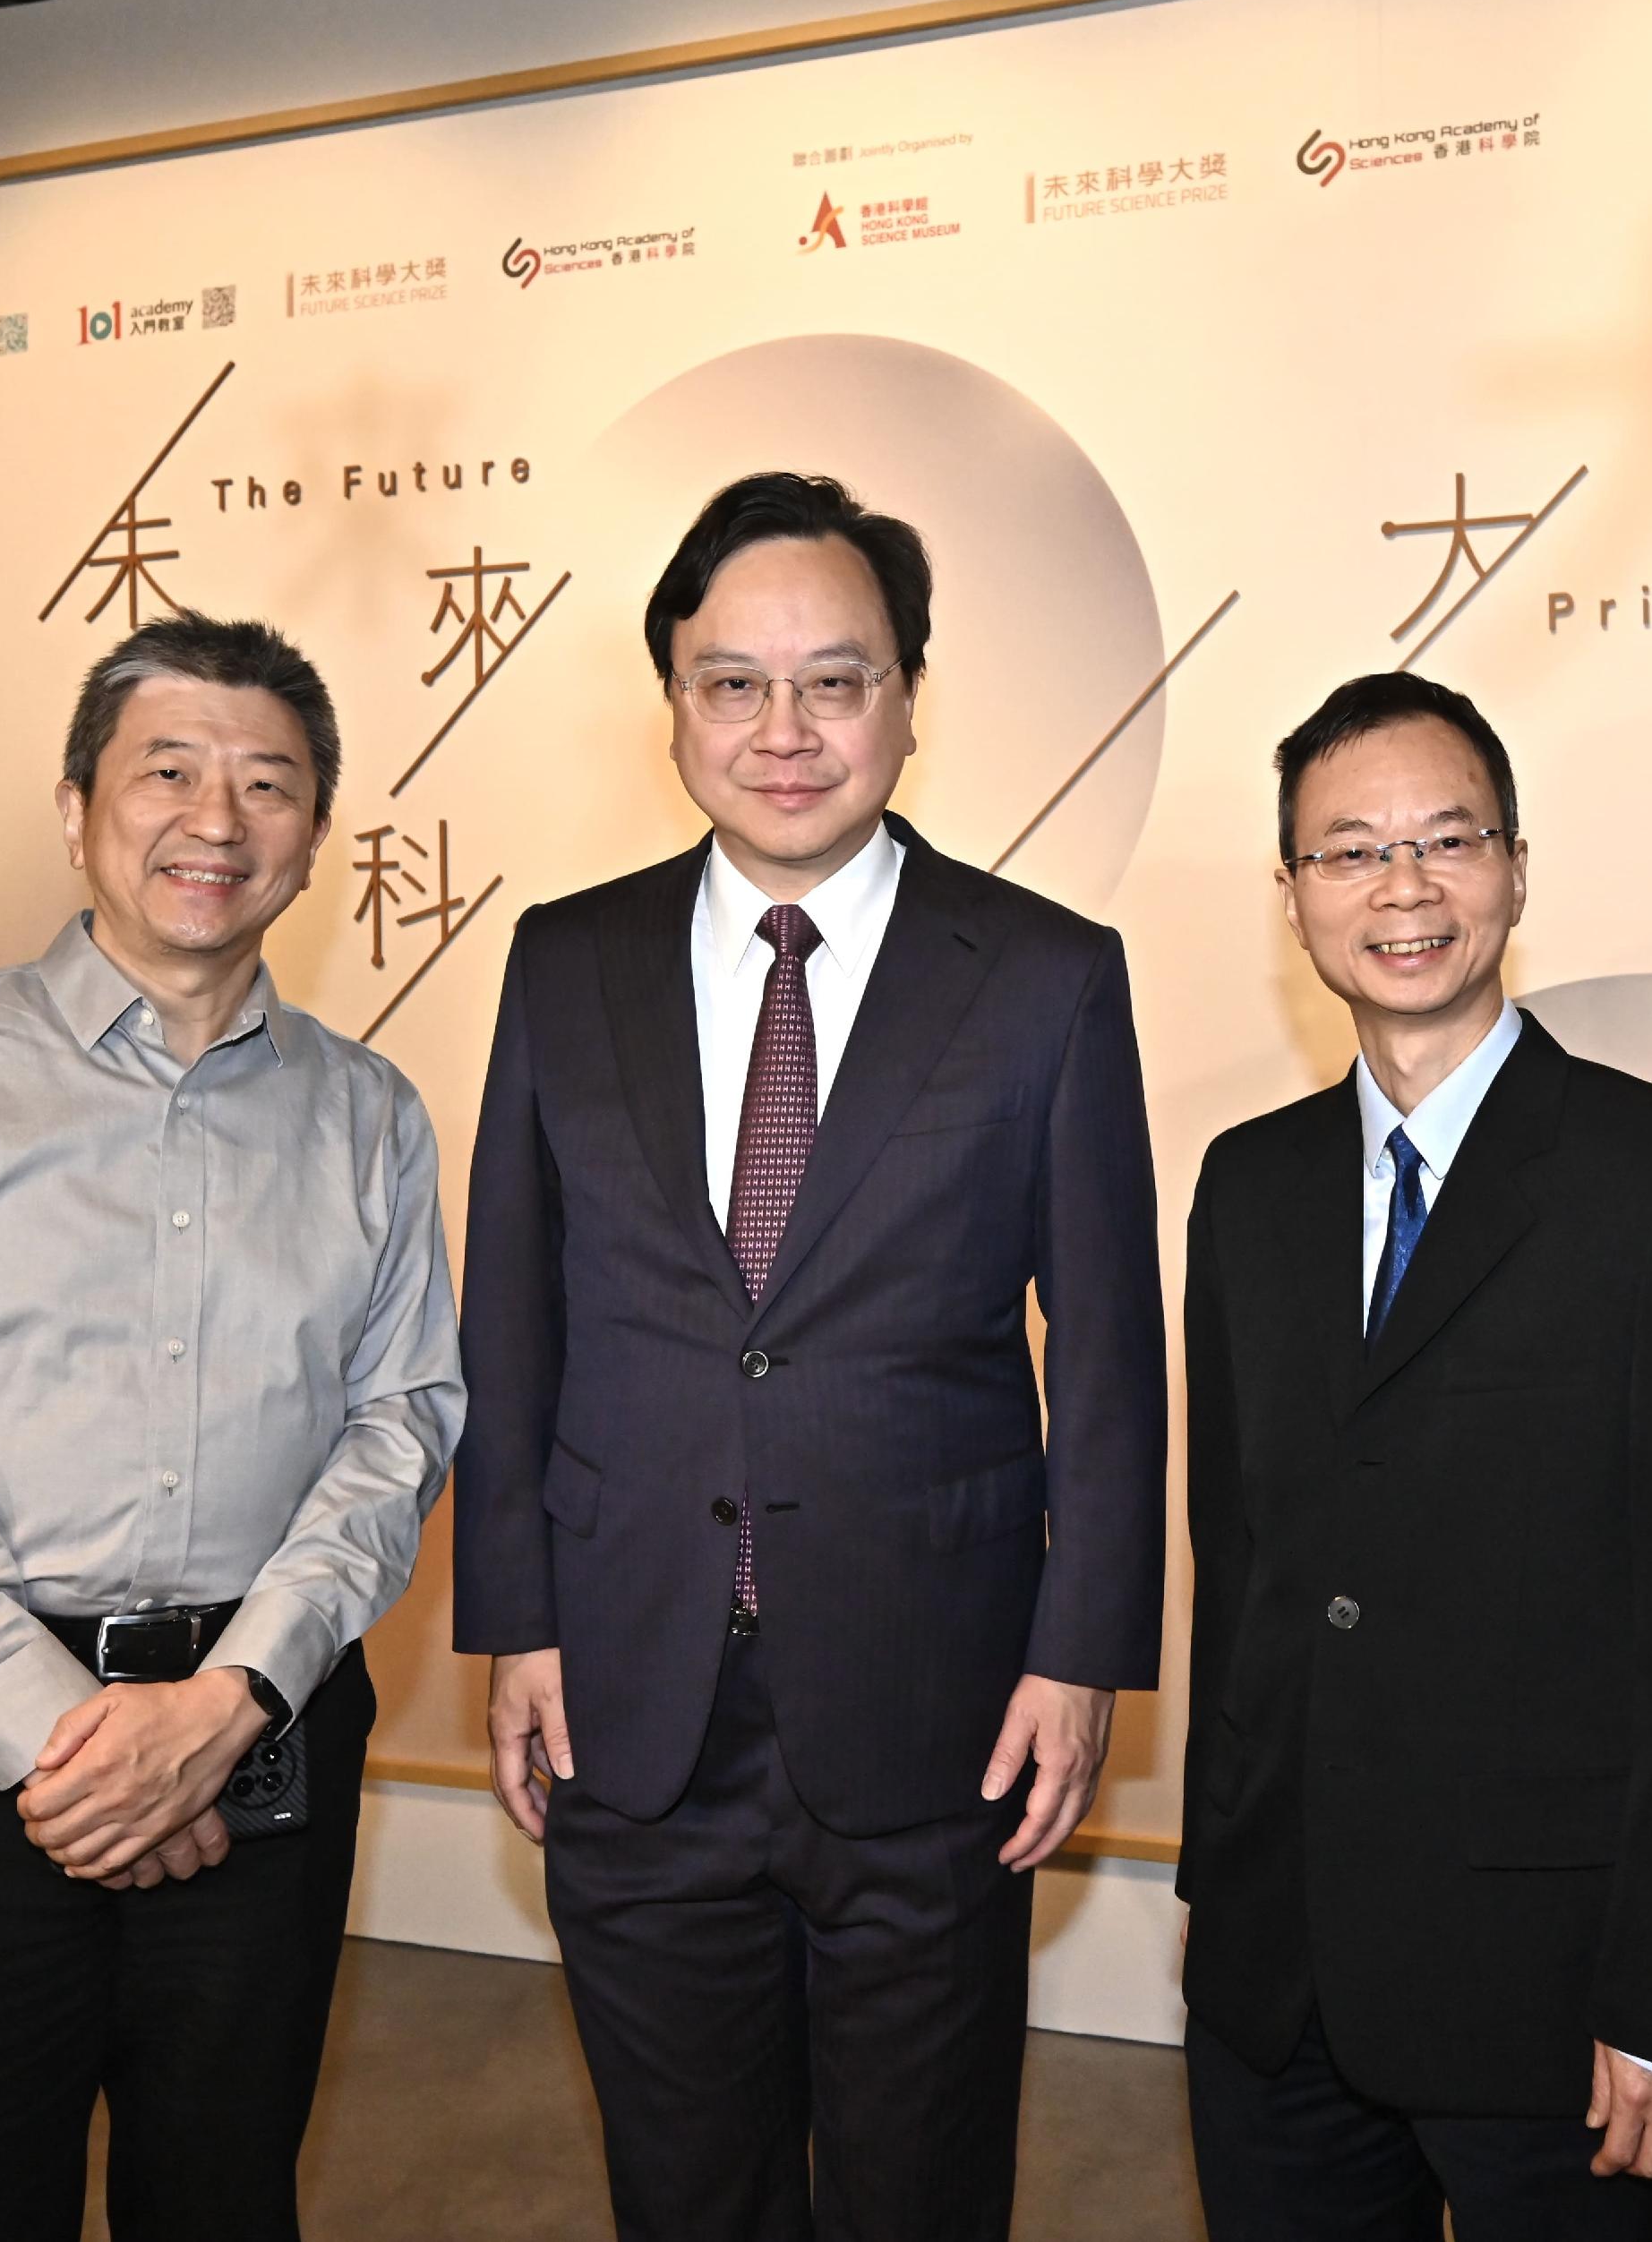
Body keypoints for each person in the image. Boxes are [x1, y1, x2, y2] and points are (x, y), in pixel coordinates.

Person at [450, 470, 1168, 2240]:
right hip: (633, 1696)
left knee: (917, 2197)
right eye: (732, 682)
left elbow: (1108, 1351)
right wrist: (516, 1616)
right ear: (673, 705)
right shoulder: (565, 962)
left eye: (835, 680)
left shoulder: (1044, 975)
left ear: (909, 703)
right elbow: (513, 1320)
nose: (784, 729)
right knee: (683, 2193)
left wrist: (1080, 1651)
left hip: (936, 1707)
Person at [0, 615, 464, 2242]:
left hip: (258, 1751)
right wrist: (73, 1748)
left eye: (268, 786)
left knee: (222, 2198)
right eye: (167, 771)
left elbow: (400, 1420)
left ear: (312, 843)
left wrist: (228, 1705)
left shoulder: (368, 1115)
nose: (216, 821)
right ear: (76, 809)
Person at [1175, 672, 1652, 2239]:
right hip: (1281, 1987)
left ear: (1515, 868)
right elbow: (1242, 1571)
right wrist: (1222, 1900)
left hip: (1560, 1998)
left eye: (1446, 840)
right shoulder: (1247, 1189)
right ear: (1293, 897)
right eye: (1349, 851)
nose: (1402, 889)